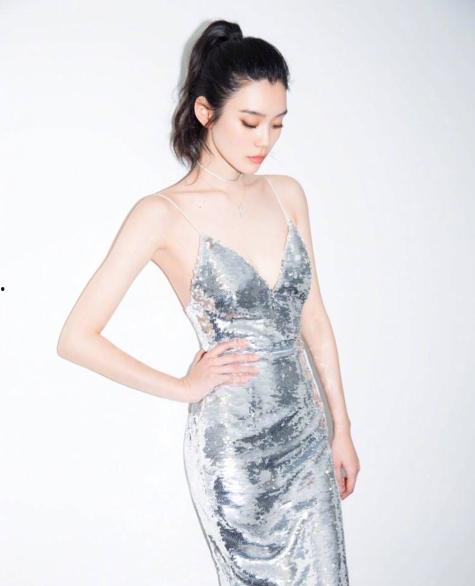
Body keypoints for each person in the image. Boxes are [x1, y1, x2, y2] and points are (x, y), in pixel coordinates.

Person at [57, 18, 360, 585]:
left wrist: (341, 427)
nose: (265, 141)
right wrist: (183, 387)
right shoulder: (161, 214)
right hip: (234, 454)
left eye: (277, 124)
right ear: (205, 111)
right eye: (249, 122)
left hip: (307, 436)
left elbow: (314, 320)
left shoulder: (287, 194)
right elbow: (76, 338)